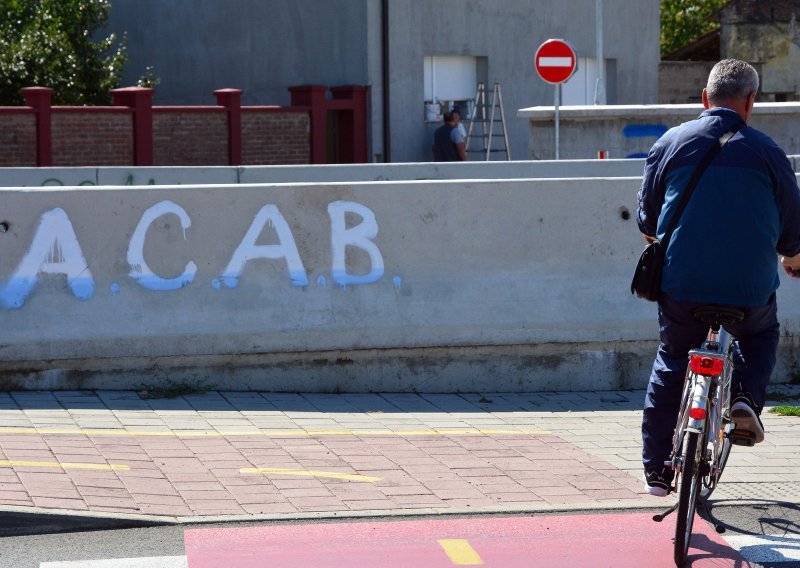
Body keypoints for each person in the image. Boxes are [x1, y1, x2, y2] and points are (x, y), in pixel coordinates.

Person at [637, 59, 800, 496]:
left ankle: (656, 471)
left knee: (673, 357)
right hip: (748, 292)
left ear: (704, 99)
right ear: (751, 101)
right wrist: (792, 258)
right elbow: (793, 232)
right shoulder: (770, 154)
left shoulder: (671, 142)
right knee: (761, 334)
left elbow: (647, 219)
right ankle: (745, 398)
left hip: (682, 288)